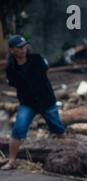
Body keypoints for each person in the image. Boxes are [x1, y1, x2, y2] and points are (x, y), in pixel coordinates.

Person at [1, 35, 65, 170]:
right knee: (18, 129)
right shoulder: (10, 68)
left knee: (57, 128)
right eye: (19, 47)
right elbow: (12, 82)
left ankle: (68, 154)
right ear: (12, 50)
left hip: (46, 100)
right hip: (27, 103)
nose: (23, 49)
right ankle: (12, 161)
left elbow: (45, 68)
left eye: (24, 46)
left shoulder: (37, 59)